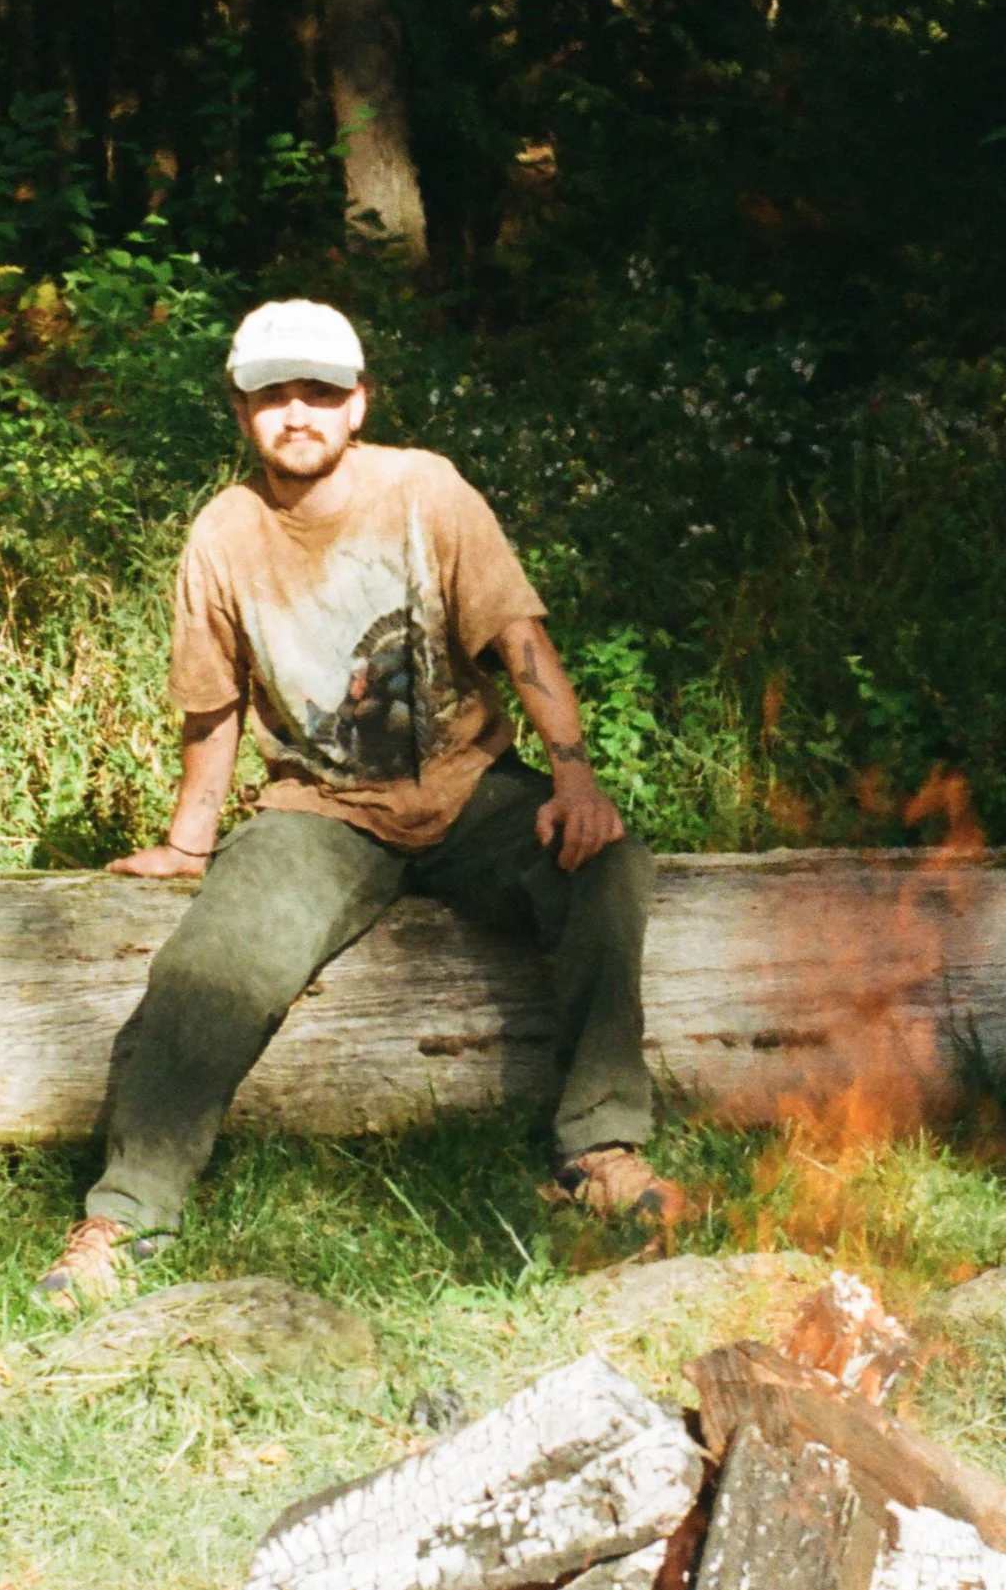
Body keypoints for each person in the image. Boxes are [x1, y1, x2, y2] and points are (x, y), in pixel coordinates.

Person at [36, 296, 686, 1301]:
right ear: (241, 410)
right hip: (320, 808)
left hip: (468, 787)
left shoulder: (424, 489)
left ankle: (598, 1149)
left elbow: (517, 638)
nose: (297, 413)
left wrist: (576, 779)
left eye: (320, 392)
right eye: (272, 396)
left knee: (608, 865)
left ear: (359, 401)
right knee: (209, 966)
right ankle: (124, 1219)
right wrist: (188, 839)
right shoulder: (224, 533)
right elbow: (212, 707)